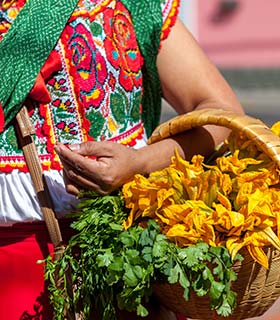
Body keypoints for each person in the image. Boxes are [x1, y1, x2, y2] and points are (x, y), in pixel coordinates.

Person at [0, 0, 244, 319]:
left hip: (125, 257)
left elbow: (221, 114)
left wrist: (139, 163)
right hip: (12, 270)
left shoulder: (137, 6)